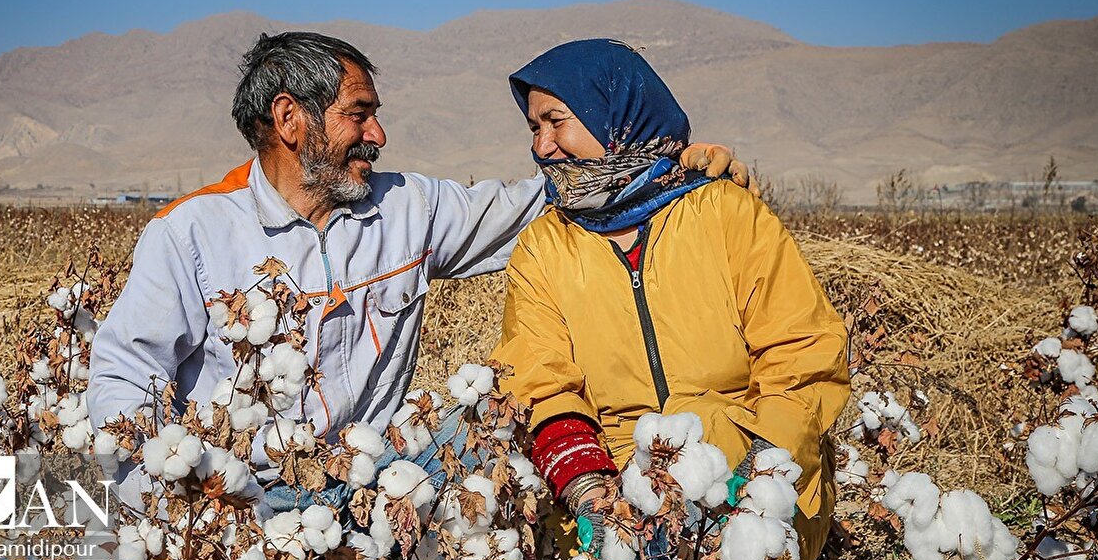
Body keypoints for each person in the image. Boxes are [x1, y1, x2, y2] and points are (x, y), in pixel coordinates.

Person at [87, 32, 746, 512]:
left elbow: (536, 204)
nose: (378, 135)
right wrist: (179, 501)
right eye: (358, 113)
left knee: (496, 412)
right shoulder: (191, 233)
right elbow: (123, 377)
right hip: (248, 497)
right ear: (289, 118)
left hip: (380, 482)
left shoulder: (410, 208)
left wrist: (669, 167)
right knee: (45, 495)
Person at [491, 39, 850, 560]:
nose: (542, 146)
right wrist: (590, 492)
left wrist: (755, 477)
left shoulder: (725, 212)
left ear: (613, 114)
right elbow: (538, 382)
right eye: (533, 129)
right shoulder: (546, 246)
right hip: (611, 485)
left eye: (556, 121)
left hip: (749, 466)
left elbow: (800, 359)